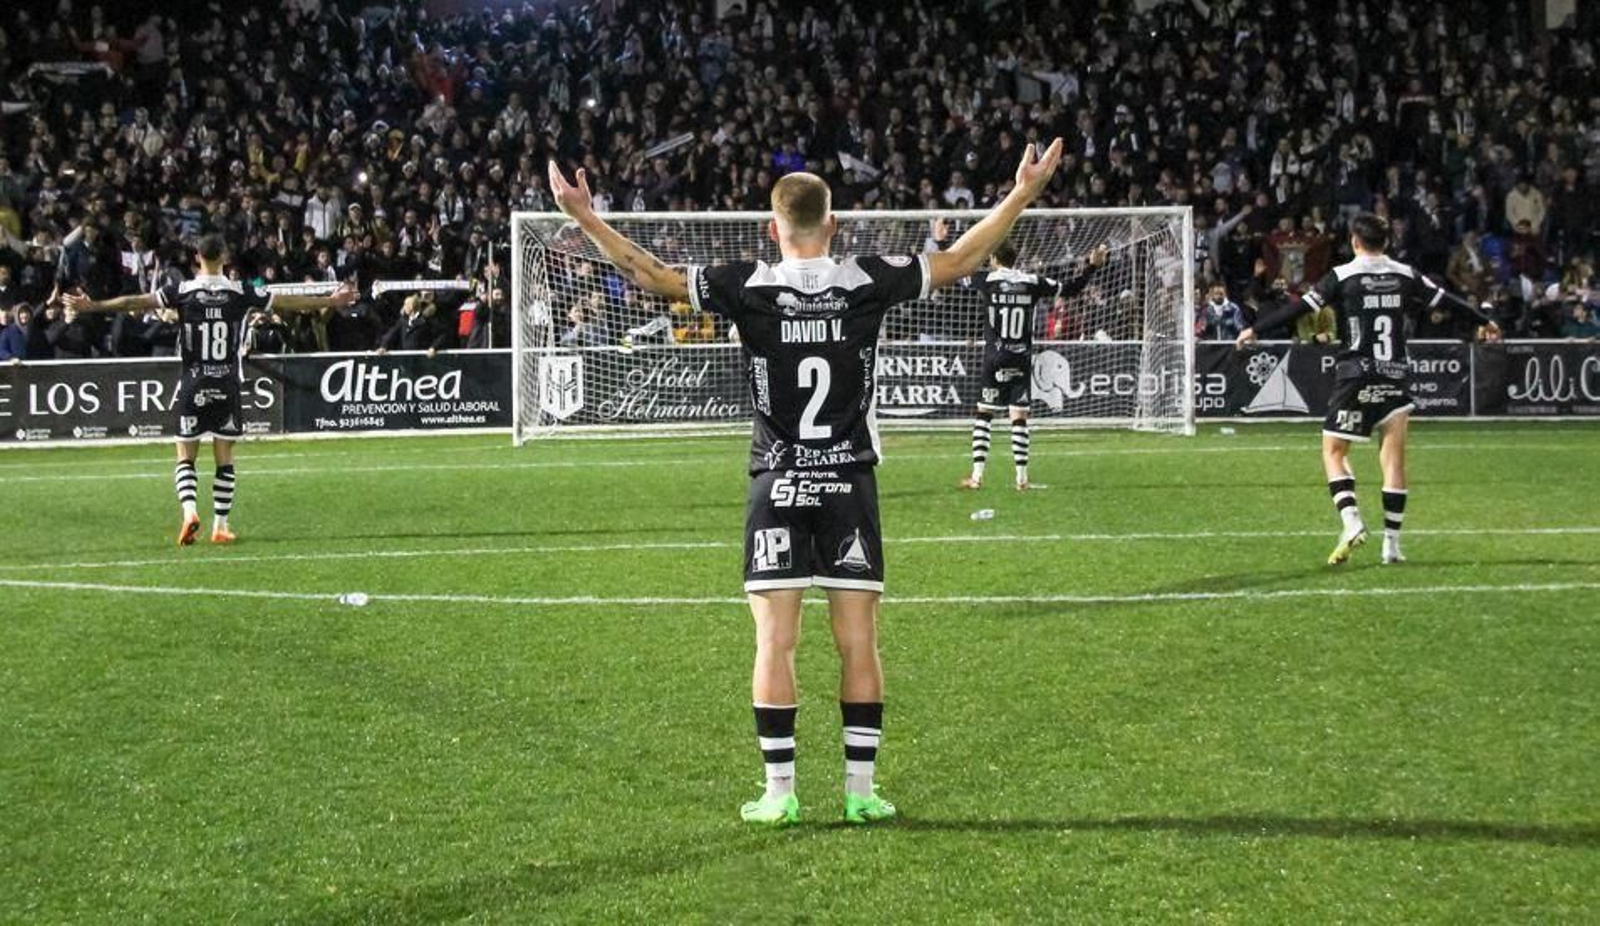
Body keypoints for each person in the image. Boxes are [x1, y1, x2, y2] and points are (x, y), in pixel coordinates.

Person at [548, 138, 1066, 826]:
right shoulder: (867, 278)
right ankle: (860, 792)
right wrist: (1021, 193)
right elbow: (966, 256)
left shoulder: (747, 284)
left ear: (772, 227)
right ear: (836, 224)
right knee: (858, 642)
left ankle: (780, 794)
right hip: (850, 479)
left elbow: (652, 274)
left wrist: (585, 217)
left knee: (774, 642)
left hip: (778, 481)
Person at [1235, 213, 1495, 566]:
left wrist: (1257, 330)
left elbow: (1299, 309)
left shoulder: (1342, 276)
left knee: (1334, 451)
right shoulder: (1406, 275)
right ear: (1386, 242)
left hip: (1356, 373)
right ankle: (1392, 545)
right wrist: (1484, 321)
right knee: (1393, 458)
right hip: (1395, 374)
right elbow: (1448, 302)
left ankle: (1352, 521)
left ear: (1355, 242)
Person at [65, 234, 355, 545]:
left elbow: (134, 301)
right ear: (225, 257)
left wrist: (92, 305)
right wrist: (330, 301)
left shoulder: (183, 291)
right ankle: (220, 525)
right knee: (224, 457)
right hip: (227, 383)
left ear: (196, 257)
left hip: (193, 382)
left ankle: (189, 512)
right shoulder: (240, 291)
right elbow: (287, 301)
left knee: (185, 456)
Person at [959, 239, 1106, 491]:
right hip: (1021, 357)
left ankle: (977, 476)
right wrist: (1092, 266)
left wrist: (941, 241)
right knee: (1019, 417)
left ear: (994, 260)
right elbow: (1072, 289)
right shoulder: (1033, 282)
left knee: (984, 413)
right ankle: (1021, 479)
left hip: (995, 357)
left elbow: (957, 272)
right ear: (1015, 259)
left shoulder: (987, 280)